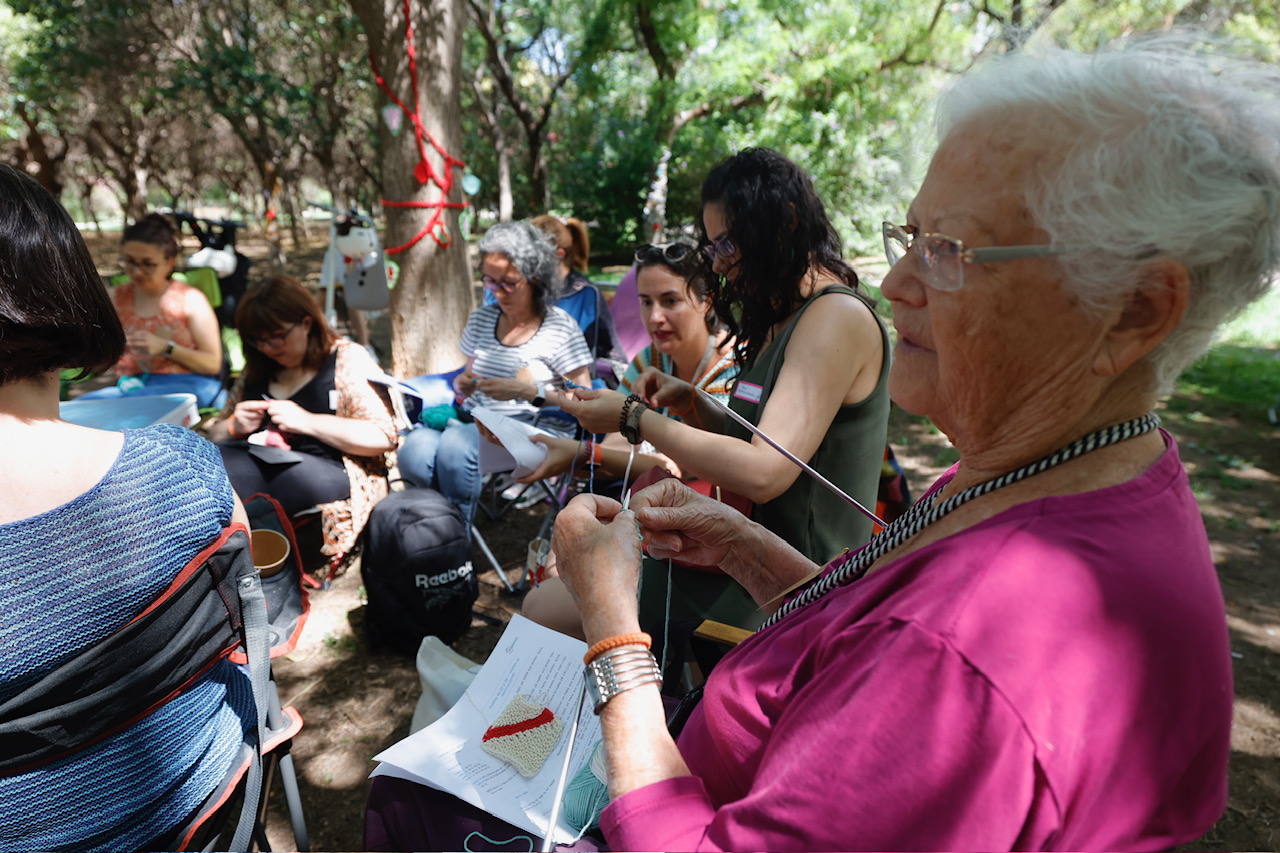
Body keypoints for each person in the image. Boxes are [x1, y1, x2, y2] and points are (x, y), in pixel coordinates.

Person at [541, 33, 1276, 851]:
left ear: (1136, 309)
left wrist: (610, 626)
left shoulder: (962, 662)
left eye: (951, 250)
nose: (894, 283)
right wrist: (741, 541)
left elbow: (915, 648)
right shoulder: (1059, 465)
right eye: (911, 234)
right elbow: (868, 610)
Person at [0, 164, 254, 849]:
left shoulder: (185, 318)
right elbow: (248, 608)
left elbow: (211, 364)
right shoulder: (183, 467)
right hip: (208, 802)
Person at [560, 148, 890, 567]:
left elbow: (764, 472)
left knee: (558, 597)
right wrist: (689, 402)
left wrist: (633, 416)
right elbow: (751, 440)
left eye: (730, 243)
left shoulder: (833, 318)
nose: (721, 263)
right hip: (746, 555)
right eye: (714, 247)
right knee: (568, 581)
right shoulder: (784, 316)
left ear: (786, 221)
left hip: (803, 581)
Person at [520, 240, 738, 636]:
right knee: (554, 573)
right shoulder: (651, 360)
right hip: (655, 521)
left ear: (707, 301)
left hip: (698, 549)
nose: (655, 317)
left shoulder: (731, 370)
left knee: (542, 603)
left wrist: (586, 450)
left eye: (670, 301)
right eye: (645, 302)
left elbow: (680, 466)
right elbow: (626, 439)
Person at [396, 221, 593, 527]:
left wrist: (530, 392)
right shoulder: (482, 319)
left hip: (538, 433)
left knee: (456, 444)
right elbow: (467, 377)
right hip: (477, 425)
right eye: (490, 281)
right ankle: (433, 533)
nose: (498, 293)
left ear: (535, 277)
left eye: (509, 282)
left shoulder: (559, 327)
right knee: (414, 449)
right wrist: (466, 382)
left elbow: (586, 401)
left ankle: (454, 540)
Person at [209, 276, 398, 573]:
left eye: (277, 337)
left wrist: (308, 421)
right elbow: (214, 434)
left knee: (233, 473)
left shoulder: (346, 359)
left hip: (333, 470)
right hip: (255, 465)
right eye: (258, 341)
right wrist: (234, 425)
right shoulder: (258, 367)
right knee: (211, 463)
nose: (269, 348)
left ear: (307, 323)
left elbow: (383, 435)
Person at [79, 213, 225, 408]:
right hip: (133, 386)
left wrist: (166, 348)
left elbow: (213, 364)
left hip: (188, 385)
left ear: (169, 262)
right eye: (129, 261)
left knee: (135, 406)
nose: (137, 271)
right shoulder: (114, 298)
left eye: (148, 264)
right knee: (81, 407)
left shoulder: (190, 299)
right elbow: (96, 358)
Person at [531, 214, 624, 373]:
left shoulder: (586, 294)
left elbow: (613, 356)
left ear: (558, 254)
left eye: (532, 254)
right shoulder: (523, 288)